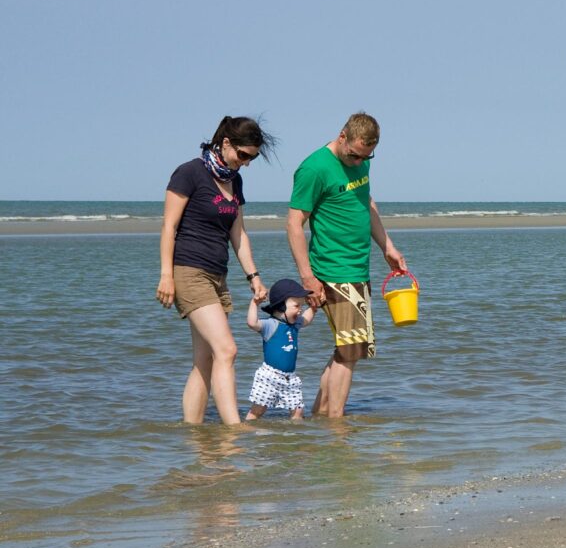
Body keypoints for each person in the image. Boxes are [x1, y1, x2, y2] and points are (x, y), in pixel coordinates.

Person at [156, 116, 277, 425]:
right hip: (188, 271)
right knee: (227, 349)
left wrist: (254, 277)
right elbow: (169, 226)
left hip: (217, 275)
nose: (247, 163)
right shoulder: (189, 174)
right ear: (225, 144)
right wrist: (166, 276)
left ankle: (193, 432)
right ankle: (233, 431)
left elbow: (239, 234)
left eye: (252, 158)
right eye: (244, 155)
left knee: (205, 360)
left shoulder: (234, 180)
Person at [286, 112, 407, 419]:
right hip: (333, 269)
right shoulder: (314, 168)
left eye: (366, 157)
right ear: (342, 136)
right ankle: (336, 422)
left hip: (357, 268)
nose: (358, 162)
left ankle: (321, 418)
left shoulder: (361, 160)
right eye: (354, 155)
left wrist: (387, 246)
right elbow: (294, 223)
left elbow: (366, 202)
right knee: (351, 350)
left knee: (348, 348)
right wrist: (307, 276)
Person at [244, 278, 317, 421]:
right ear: (282, 307)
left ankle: (296, 437)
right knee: (258, 410)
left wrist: (313, 308)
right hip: (269, 376)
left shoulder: (295, 324)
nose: (300, 310)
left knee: (298, 411)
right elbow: (252, 323)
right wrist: (254, 303)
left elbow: (306, 319)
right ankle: (248, 431)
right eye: (297, 306)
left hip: (290, 378)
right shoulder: (271, 325)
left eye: (301, 306)